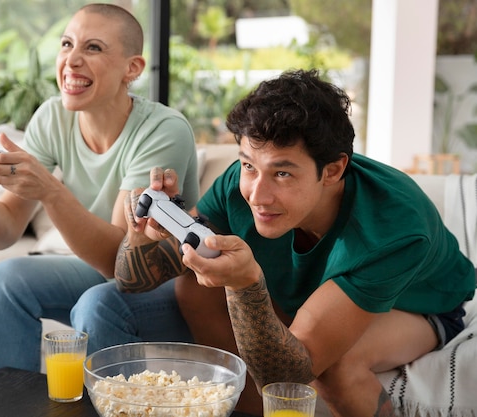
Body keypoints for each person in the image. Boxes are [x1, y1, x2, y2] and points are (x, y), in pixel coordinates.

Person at [71, 69, 476, 416]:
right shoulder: (239, 185)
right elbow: (130, 280)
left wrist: (246, 285)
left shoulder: (393, 229)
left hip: (417, 305)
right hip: (304, 295)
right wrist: (140, 234)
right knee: (192, 286)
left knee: (335, 367)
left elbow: (291, 376)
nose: (257, 195)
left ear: (333, 170)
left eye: (283, 174)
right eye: (250, 165)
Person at [0, 3, 199, 379]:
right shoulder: (53, 117)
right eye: (67, 44)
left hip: (169, 286)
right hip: (106, 275)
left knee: (96, 303)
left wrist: (52, 192)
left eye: (93, 48)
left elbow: (120, 264)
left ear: (132, 68)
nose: (71, 60)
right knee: (5, 280)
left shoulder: (163, 131)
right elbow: (3, 233)